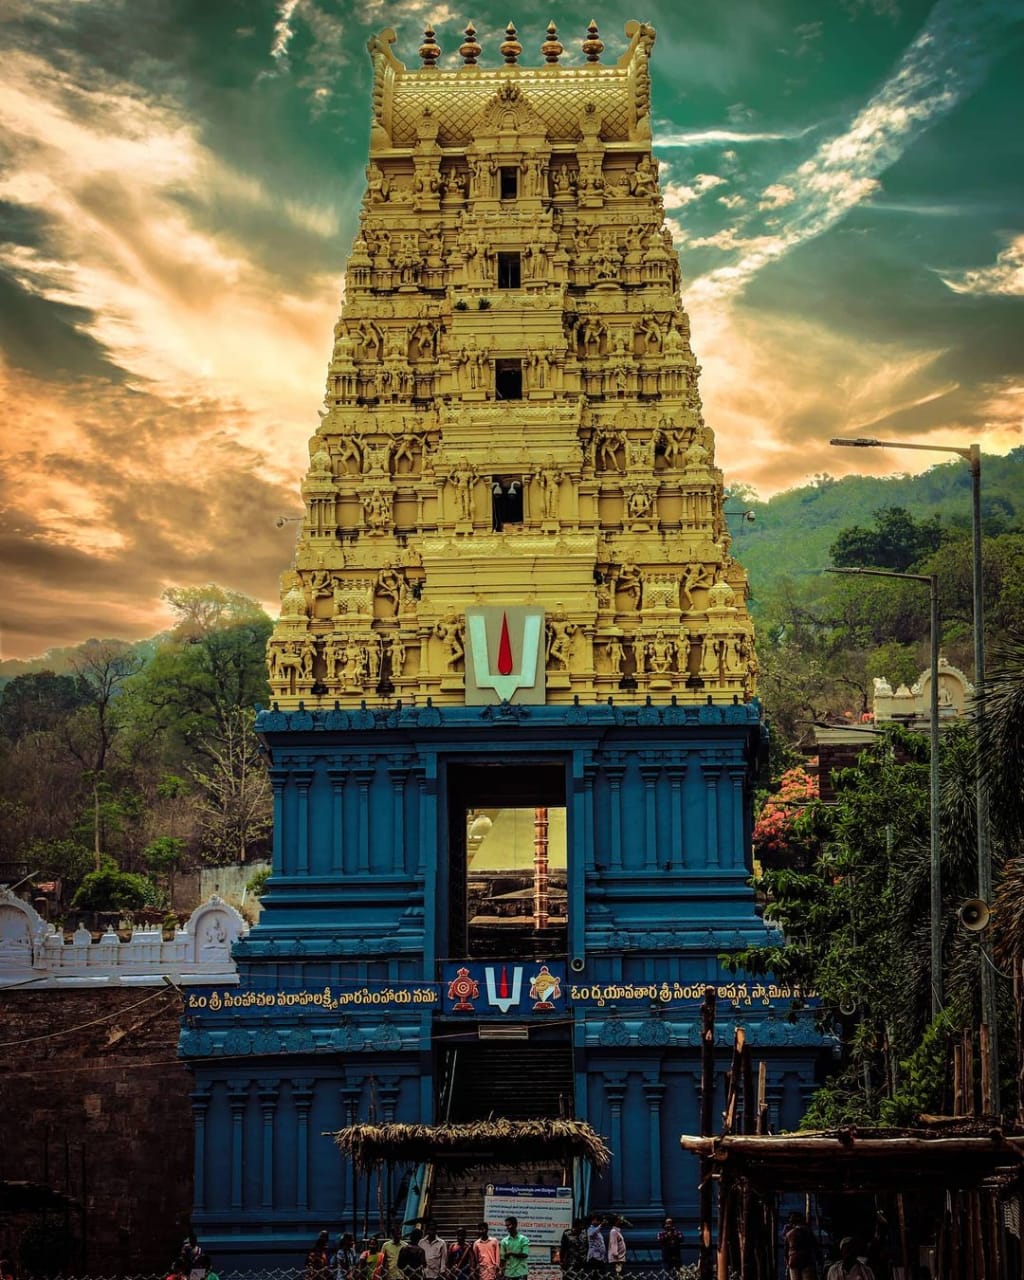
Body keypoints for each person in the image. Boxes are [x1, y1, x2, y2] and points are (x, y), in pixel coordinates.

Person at [784, 1213, 818, 1280]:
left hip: (793, 1261)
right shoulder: (808, 1232)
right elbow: (815, 1246)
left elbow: (786, 1252)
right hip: (806, 1261)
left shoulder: (789, 1234)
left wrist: (788, 1263)